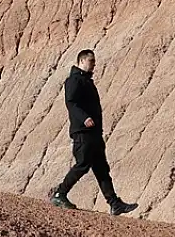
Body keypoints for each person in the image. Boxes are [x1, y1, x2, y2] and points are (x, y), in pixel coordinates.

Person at [49, 50, 137, 215]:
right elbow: (71, 103)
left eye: (94, 62)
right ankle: (60, 194)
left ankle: (114, 203)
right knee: (82, 165)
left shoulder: (86, 80)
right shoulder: (74, 80)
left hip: (94, 133)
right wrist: (84, 118)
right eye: (91, 61)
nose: (94, 65)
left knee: (102, 168)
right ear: (81, 61)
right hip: (83, 132)